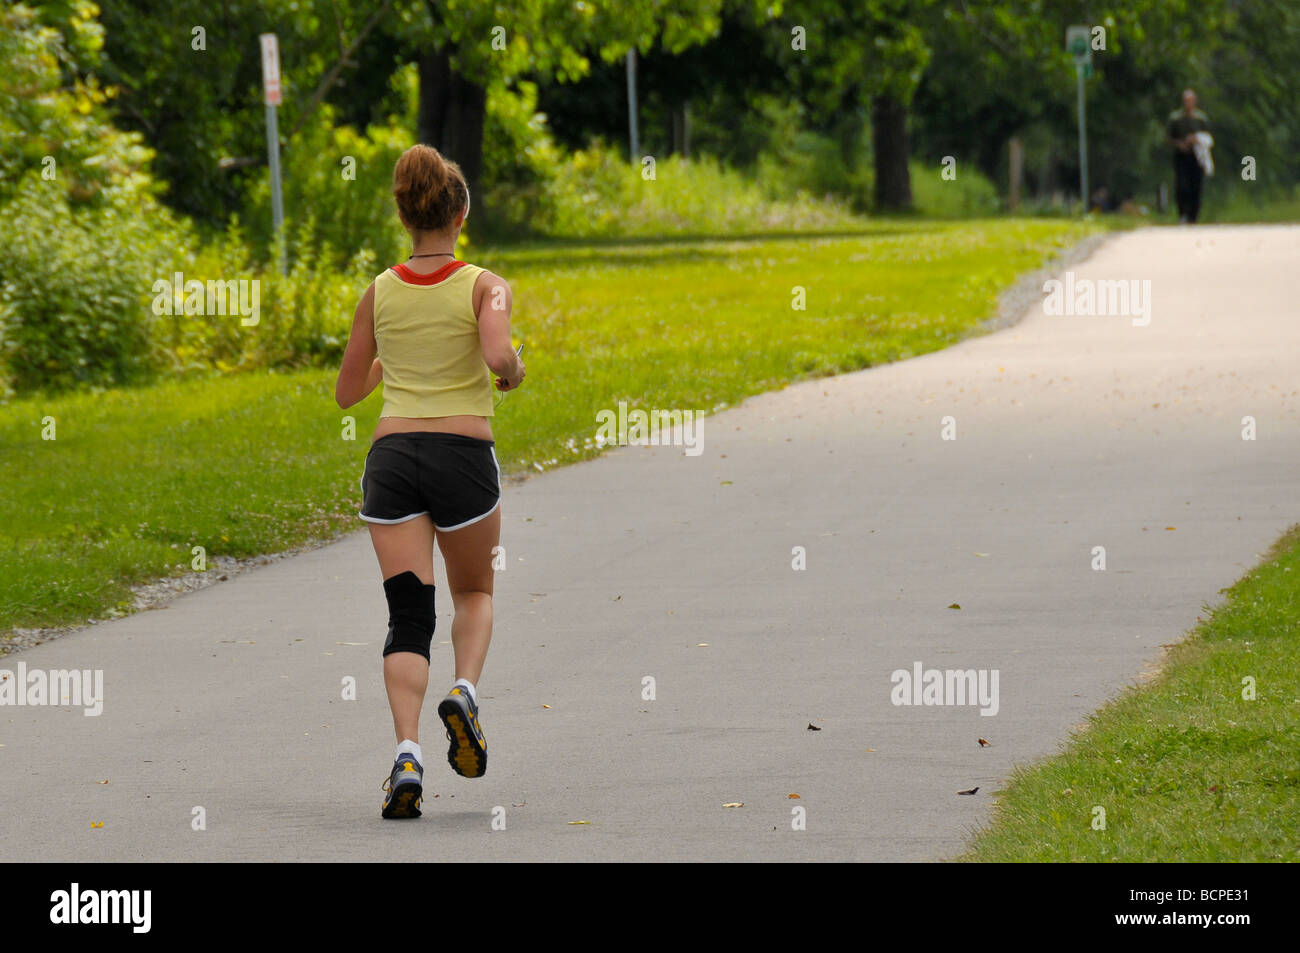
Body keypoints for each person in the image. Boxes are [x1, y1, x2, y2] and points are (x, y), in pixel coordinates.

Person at [335, 144, 526, 819]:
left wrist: (397, 358)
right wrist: (512, 369)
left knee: (408, 617)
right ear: (461, 213)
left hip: (392, 462)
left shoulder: (379, 291)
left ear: (405, 216)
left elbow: (347, 390)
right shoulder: (485, 283)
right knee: (473, 589)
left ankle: (407, 755)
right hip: (462, 457)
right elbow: (499, 351)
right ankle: (465, 692)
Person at [1166, 88, 1212, 223]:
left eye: (1190, 101)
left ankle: (1194, 215)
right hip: (1181, 156)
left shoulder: (1201, 119)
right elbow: (1168, 138)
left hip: (1197, 156)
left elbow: (1208, 138)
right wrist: (1179, 144)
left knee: (1196, 185)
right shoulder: (1175, 119)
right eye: (1186, 101)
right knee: (1182, 185)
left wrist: (1196, 140)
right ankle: (1182, 213)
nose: (1188, 103)